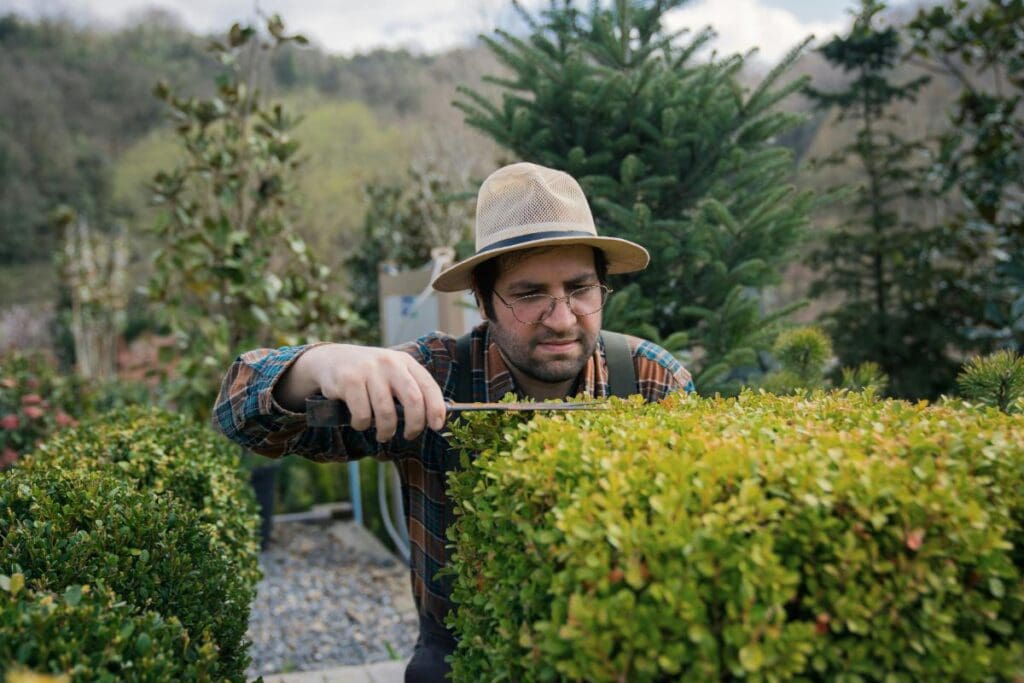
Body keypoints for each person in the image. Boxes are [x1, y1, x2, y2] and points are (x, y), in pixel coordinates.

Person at [212, 161, 694, 682]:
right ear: (483, 302)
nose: (561, 318)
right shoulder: (431, 376)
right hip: (459, 655)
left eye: (580, 289)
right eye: (530, 294)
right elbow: (240, 414)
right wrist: (320, 363)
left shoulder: (651, 380)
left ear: (603, 288)